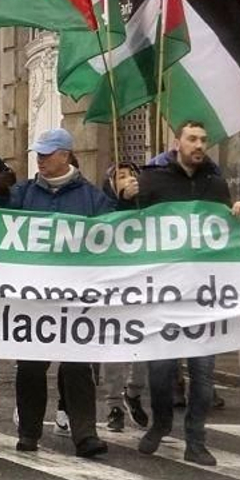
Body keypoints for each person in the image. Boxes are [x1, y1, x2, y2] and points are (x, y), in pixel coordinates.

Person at [135, 120, 240, 467]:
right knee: (160, 369)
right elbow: (127, 223)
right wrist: (122, 195)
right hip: (165, 291)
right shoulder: (154, 180)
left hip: (204, 294)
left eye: (203, 140)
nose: (199, 145)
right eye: (192, 139)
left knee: (203, 373)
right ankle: (160, 423)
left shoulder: (215, 184)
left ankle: (196, 439)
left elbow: (228, 231)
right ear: (177, 143)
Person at [2, 129, 109, 459]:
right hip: (34, 295)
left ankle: (85, 434)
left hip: (76, 296)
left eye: (47, 154)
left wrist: (127, 200)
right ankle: (28, 433)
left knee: (77, 365)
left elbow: (115, 233)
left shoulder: (91, 198)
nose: (41, 160)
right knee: (31, 365)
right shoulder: (23, 193)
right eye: (39, 154)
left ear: (65, 155)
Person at [99, 162, 147, 433]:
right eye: (121, 176)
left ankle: (135, 392)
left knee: (144, 342)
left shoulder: (149, 206)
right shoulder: (105, 204)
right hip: (115, 285)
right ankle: (114, 404)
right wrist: (121, 202)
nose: (128, 179)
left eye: (132, 175)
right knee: (115, 346)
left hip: (143, 284)